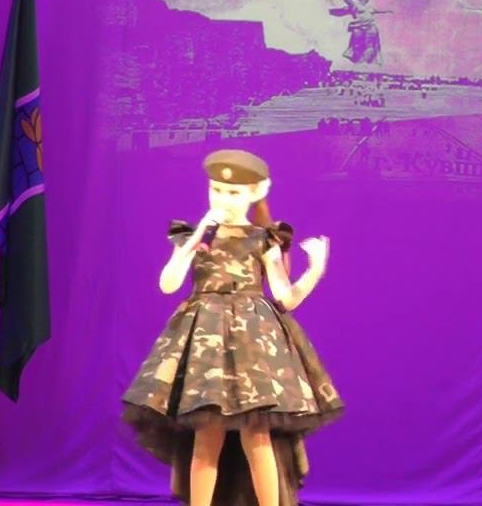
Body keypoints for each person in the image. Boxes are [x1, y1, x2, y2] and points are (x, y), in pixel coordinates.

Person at [122, 149, 344, 505]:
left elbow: (285, 298)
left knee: (257, 436)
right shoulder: (193, 236)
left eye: (233, 192)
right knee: (207, 434)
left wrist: (315, 269)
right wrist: (199, 233)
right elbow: (168, 283)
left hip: (253, 343)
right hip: (204, 343)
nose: (223, 198)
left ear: (256, 192)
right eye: (217, 190)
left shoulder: (264, 239)